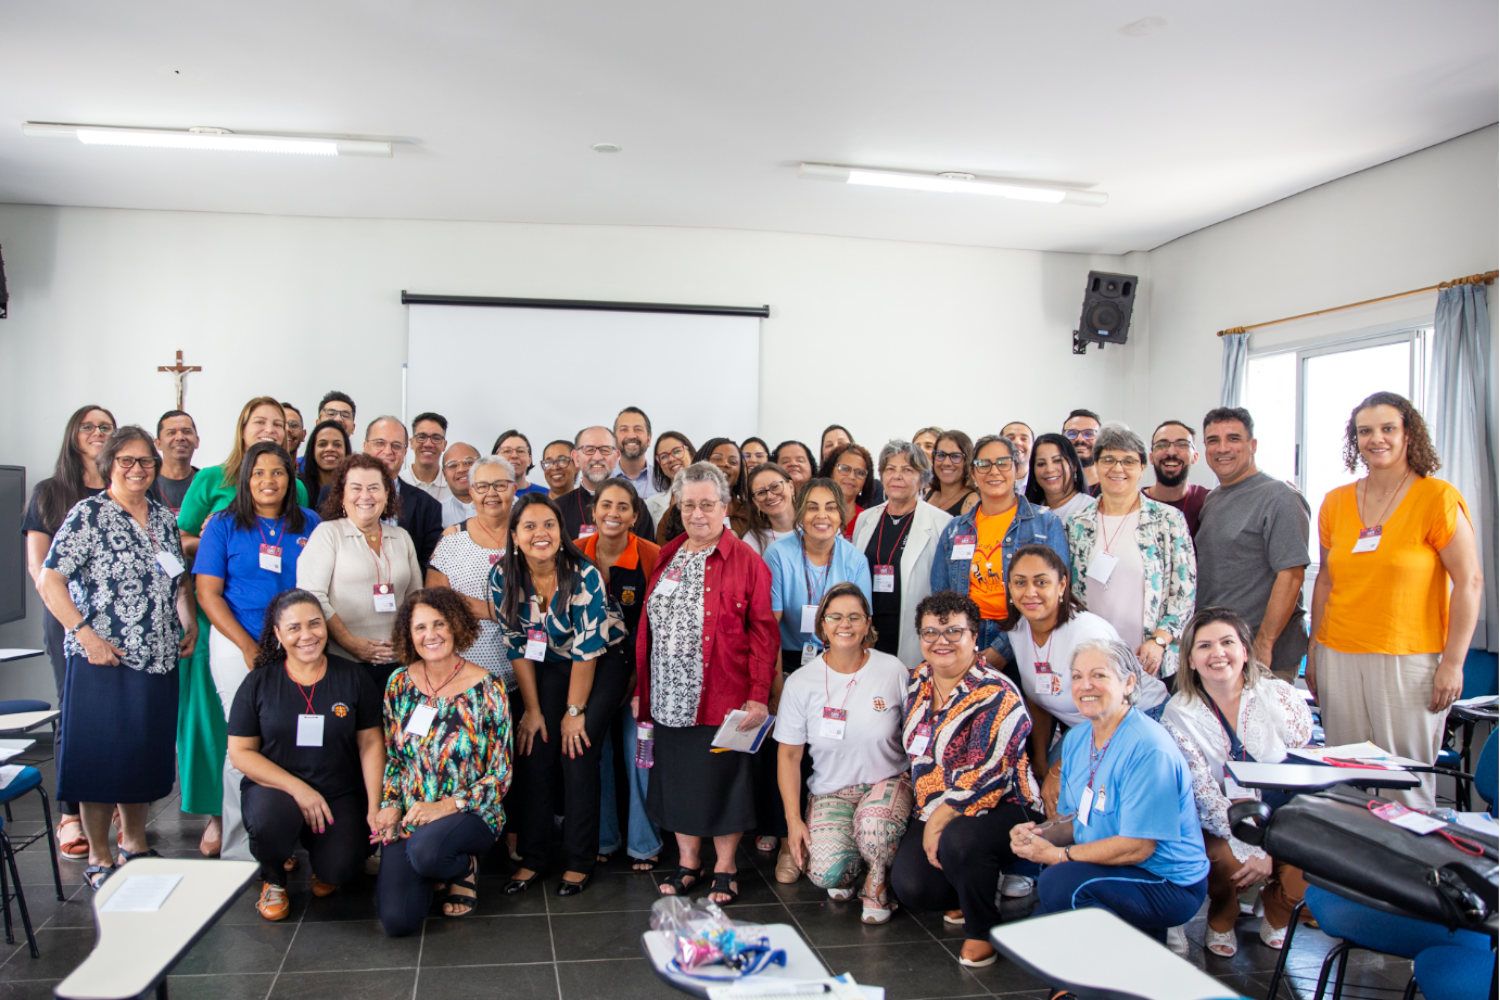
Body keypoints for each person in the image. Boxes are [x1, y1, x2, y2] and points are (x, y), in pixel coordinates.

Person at [36, 426, 196, 889]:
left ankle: (135, 843)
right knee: (101, 758)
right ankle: (101, 857)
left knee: (143, 754)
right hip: (105, 659)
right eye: (126, 460)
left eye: (145, 461)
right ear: (110, 464)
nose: (137, 469)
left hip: (159, 657)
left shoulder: (164, 519)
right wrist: (85, 635)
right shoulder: (87, 515)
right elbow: (51, 580)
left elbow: (177, 581)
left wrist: (190, 622)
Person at [1308, 391, 1481, 809]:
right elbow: (1327, 580)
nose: (1376, 439)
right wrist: (1314, 649)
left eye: (1388, 428)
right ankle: (1349, 870)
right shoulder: (1335, 502)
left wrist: (1453, 663)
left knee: (1405, 783)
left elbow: (1470, 582)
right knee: (1346, 778)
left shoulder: (1436, 498)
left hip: (1409, 658)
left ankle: (1404, 870)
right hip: (1339, 653)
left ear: (1408, 435)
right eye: (1365, 431)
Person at [635, 462, 777, 905]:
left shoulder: (746, 561)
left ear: (725, 506)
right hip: (669, 695)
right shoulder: (669, 552)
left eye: (707, 505)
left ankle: (726, 867)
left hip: (724, 694)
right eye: (689, 504)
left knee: (724, 782)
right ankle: (688, 862)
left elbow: (764, 634)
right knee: (678, 780)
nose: (698, 514)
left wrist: (757, 695)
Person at [178, 395, 309, 857]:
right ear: (245, 480)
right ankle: (240, 847)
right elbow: (209, 594)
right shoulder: (223, 526)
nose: (268, 481)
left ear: (290, 477)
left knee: (293, 741)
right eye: (258, 473)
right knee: (245, 745)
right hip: (238, 646)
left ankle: (283, 841)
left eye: (277, 472)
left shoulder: (308, 523)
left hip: (299, 648)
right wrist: (249, 646)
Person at [1011, 638, 1209, 943]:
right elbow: (1075, 819)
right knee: (1045, 919)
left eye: (1098, 675)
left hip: (1165, 880)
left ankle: (1137, 951)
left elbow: (1138, 847)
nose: (1085, 685)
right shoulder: (1078, 739)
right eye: (1077, 676)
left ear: (1129, 683)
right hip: (1115, 864)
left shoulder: (1148, 748)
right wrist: (1039, 835)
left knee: (1060, 885)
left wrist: (1058, 855)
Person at [890, 592, 1041, 968]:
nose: (941, 641)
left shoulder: (996, 691)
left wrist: (938, 821)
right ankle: (963, 891)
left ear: (975, 637)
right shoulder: (916, 681)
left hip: (1005, 805)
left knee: (959, 839)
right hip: (936, 805)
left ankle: (982, 930)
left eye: (953, 631)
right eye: (930, 632)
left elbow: (987, 776)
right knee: (912, 886)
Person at [490, 494, 626, 896]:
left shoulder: (582, 575)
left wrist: (573, 712)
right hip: (549, 661)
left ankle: (579, 860)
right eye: (529, 526)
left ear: (560, 531)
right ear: (514, 536)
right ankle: (534, 858)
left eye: (548, 524)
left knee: (577, 749)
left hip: (602, 660)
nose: (540, 534)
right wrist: (532, 710)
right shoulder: (503, 576)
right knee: (535, 746)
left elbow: (587, 651)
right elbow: (516, 645)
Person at [1161, 608, 1314, 956]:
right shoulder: (1179, 712)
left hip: (1284, 812)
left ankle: (1277, 910)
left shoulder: (1281, 697)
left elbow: (1306, 771)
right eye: (1205, 646)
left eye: (1227, 642)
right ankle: (1222, 917)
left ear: (1245, 650)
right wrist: (1256, 848)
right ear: (1190, 659)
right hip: (1223, 818)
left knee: (1311, 862)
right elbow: (1203, 794)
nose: (1218, 653)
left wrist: (1274, 847)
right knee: (1226, 862)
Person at [227, 590, 383, 921]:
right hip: (276, 789)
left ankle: (323, 859)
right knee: (271, 820)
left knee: (340, 870)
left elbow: (370, 743)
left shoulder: (353, 677)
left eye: (314, 624)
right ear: (278, 635)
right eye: (294, 628)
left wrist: (374, 806)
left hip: (338, 790)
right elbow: (241, 753)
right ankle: (273, 878)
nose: (307, 635)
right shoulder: (258, 683)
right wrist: (300, 790)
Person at [374, 589, 512, 935]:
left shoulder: (488, 688)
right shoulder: (399, 684)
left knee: (428, 850)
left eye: (440, 624)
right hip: (412, 814)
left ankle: (462, 867)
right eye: (420, 627)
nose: (430, 634)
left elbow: (501, 775)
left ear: (457, 626)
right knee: (397, 921)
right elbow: (394, 758)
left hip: (469, 812)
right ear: (409, 634)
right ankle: (433, 868)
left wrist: (446, 806)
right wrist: (390, 805)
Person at [775, 584, 911, 924]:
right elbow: (789, 756)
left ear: (867, 624)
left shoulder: (892, 669)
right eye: (835, 617)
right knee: (826, 874)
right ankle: (853, 866)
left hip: (887, 782)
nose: (844, 625)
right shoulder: (801, 682)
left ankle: (878, 882)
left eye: (854, 617)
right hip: (832, 791)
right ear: (822, 624)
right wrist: (793, 821)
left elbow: (915, 735)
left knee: (875, 828)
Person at [1005, 545, 1166, 818]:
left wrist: (1058, 770)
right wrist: (1042, 761)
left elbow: (1116, 709)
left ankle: (1078, 856)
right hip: (1085, 729)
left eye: (1041, 582)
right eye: (1020, 582)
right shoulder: (1018, 630)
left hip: (1136, 719)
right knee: (1039, 786)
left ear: (1062, 585)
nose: (1029, 592)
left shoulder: (1088, 633)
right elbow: (1038, 697)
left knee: (1065, 795)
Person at [763, 478, 872, 879]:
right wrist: (777, 684)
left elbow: (858, 624)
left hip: (839, 657)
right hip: (790, 659)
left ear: (841, 517)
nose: (821, 516)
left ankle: (828, 828)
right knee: (788, 747)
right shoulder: (779, 554)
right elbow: (770, 628)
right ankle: (787, 839)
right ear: (799, 514)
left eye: (830, 507)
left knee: (828, 744)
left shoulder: (854, 559)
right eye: (812, 507)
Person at [22, 404, 115, 859]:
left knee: (118, 715)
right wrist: (75, 624)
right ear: (73, 435)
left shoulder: (123, 488)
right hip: (67, 620)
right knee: (76, 710)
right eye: (89, 426)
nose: (97, 433)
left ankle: (112, 800)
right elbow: (39, 569)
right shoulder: (51, 492)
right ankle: (70, 814)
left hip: (121, 620)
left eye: (105, 427)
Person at [574, 480, 663, 872]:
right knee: (598, 754)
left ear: (635, 514)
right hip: (589, 673)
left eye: (623, 506)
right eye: (605, 505)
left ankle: (645, 843)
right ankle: (604, 838)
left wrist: (639, 683)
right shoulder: (575, 554)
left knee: (638, 755)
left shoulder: (652, 555)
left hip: (639, 676)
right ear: (592, 512)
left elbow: (657, 625)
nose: (613, 513)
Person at [1066, 425, 1196, 683]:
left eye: (1128, 461)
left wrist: (1159, 640)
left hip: (1150, 657)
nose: (1117, 469)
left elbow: (1184, 591)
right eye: (1109, 460)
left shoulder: (1168, 520)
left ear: (1142, 467)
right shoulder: (1078, 523)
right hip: (1093, 656)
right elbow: (1070, 590)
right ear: (1096, 464)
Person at [930, 436, 1070, 670]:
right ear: (973, 474)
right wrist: (958, 640)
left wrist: (1003, 647)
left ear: (1017, 470)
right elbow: (941, 596)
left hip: (1026, 637)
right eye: (984, 464)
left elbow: (1057, 593)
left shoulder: (1045, 523)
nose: (993, 471)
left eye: (1003, 463)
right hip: (965, 639)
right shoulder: (955, 529)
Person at [1196, 408, 1311, 680]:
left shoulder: (1279, 497)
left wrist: (1264, 643)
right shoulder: (1214, 499)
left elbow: (1292, 575)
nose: (1222, 448)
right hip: (1220, 649)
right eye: (1213, 440)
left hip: (1261, 655)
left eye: (1233, 438)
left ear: (1252, 445)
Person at [298, 453, 423, 690]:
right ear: (342, 495)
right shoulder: (327, 534)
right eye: (356, 488)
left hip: (399, 663)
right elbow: (312, 597)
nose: (365, 496)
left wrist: (408, 642)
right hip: (343, 661)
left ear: (387, 494)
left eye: (374, 488)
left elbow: (416, 596)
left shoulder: (401, 537)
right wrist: (350, 643)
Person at [850, 441, 951, 665]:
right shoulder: (865, 519)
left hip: (912, 630)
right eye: (890, 469)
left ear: (923, 478)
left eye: (907, 470)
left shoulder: (941, 523)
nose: (897, 476)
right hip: (870, 627)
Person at [426, 455, 515, 689]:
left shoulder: (529, 536)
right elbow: (435, 601)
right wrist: (497, 611)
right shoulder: (453, 538)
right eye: (482, 486)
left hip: (523, 671)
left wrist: (466, 604)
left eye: (500, 485)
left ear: (514, 489)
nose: (492, 493)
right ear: (472, 492)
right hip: (463, 672)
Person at [363, 416, 444, 572]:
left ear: (405, 451)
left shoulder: (428, 506)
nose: (388, 451)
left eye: (396, 446)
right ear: (365, 446)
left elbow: (428, 569)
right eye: (380, 443)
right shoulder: (338, 493)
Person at [558, 426, 654, 540]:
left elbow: (647, 554)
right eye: (589, 450)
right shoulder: (558, 508)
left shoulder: (636, 506)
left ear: (617, 456)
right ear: (576, 457)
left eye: (605, 450)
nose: (597, 457)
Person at [1144, 420, 1209, 535]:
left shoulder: (1207, 502)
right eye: (1162, 445)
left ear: (1195, 457)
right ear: (1151, 457)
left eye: (1182, 444)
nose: (1171, 452)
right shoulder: (1135, 503)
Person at [1025, 432, 1095, 523]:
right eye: (1041, 464)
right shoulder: (1028, 513)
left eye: (1057, 461)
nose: (1049, 469)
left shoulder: (1090, 509)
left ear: (1074, 465)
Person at [819, 443, 876, 540]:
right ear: (830, 472)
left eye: (860, 473)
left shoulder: (869, 521)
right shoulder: (813, 512)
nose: (851, 477)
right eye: (844, 469)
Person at [744, 462, 797, 556]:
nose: (770, 496)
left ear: (791, 487)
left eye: (775, 486)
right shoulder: (752, 540)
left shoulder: (813, 524)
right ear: (755, 501)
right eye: (761, 492)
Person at [645, 431, 694, 528]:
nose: (671, 459)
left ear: (691, 453)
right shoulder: (650, 505)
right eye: (664, 456)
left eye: (677, 451)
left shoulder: (715, 494)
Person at [154, 410, 200, 512]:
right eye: (171, 433)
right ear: (158, 444)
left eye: (187, 432)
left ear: (197, 441)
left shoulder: (207, 483)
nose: (180, 437)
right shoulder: (146, 485)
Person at [924, 430, 979, 517]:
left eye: (955, 456)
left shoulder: (972, 501)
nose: (946, 463)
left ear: (967, 461)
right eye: (941, 455)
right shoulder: (927, 494)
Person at [402, 411, 451, 503]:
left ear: (444, 445)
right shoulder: (397, 484)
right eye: (422, 437)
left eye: (436, 438)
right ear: (411, 443)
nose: (428, 444)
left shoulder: (453, 486)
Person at [300, 419, 350, 509]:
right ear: (312, 449)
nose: (330, 449)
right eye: (322, 444)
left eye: (337, 445)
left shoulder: (354, 487)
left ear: (346, 450)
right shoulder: (299, 487)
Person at [611, 406, 656, 499]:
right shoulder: (601, 481)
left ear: (649, 439)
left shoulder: (663, 482)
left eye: (638, 429)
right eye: (624, 429)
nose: (631, 435)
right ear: (614, 439)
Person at [492, 430, 548, 496]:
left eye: (520, 451)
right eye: (507, 451)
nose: (514, 456)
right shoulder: (484, 494)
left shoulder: (546, 495)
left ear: (530, 460)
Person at [439, 443, 480, 527]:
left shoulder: (508, 505)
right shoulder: (437, 513)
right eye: (452, 465)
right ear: (444, 475)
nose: (461, 469)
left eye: (468, 462)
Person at [1062, 408, 1102, 492]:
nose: (1080, 439)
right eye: (1072, 433)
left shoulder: (1112, 486)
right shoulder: (1052, 487)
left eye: (1089, 433)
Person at [1001, 420, 1033, 495]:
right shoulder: (986, 482)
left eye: (1024, 439)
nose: (1017, 442)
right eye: (1010, 438)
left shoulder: (1043, 483)